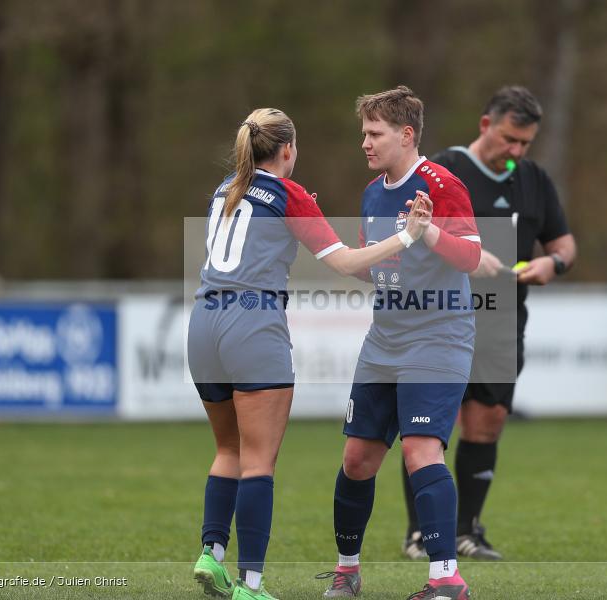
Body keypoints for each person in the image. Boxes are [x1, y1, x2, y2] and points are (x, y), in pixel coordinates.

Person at [188, 107, 432, 600]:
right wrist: (407, 235)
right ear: (288, 150)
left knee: (228, 450)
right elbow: (344, 262)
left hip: (203, 322)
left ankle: (211, 554)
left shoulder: (225, 187)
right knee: (259, 460)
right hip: (252, 324)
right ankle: (250, 585)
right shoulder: (289, 194)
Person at [398, 86, 577, 561]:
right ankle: (421, 534)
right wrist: (462, 257)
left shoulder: (534, 179)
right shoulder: (441, 170)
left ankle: (466, 531)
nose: (515, 151)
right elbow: (408, 238)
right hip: (439, 316)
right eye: (509, 139)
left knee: (488, 421)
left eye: (525, 143)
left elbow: (564, 243)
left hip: (502, 321)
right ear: (485, 125)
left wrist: (553, 263)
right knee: (427, 428)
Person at [317, 87, 480, 600]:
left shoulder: (442, 185)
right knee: (357, 460)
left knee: (420, 450)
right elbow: (376, 266)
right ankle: (347, 571)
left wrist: (427, 232)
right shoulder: (372, 192)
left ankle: (446, 579)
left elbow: (472, 257)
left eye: (375, 133)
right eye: (363, 133)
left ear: (406, 135)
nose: (364, 143)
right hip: (385, 339)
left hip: (439, 336)